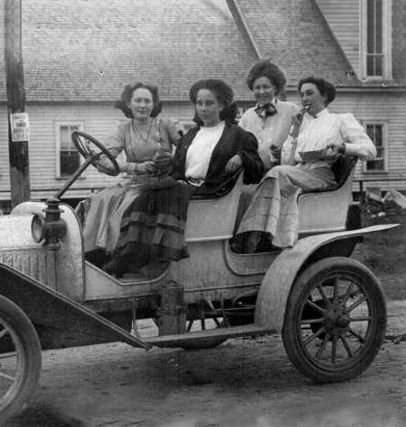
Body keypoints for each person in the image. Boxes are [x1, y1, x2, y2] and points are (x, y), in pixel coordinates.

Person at [102, 79, 264, 278]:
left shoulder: (237, 135)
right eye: (199, 103)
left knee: (167, 191)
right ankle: (131, 253)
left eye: (209, 103)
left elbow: (257, 168)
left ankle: (149, 256)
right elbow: (178, 168)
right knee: (148, 192)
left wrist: (242, 157)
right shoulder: (191, 136)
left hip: (212, 190)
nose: (203, 108)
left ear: (222, 105)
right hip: (186, 186)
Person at [235, 76, 377, 253]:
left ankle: (252, 234)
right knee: (268, 178)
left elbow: (371, 150)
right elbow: (288, 161)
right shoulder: (303, 124)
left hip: (322, 174)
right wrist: (294, 131)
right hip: (299, 173)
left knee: (277, 173)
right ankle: (263, 235)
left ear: (324, 96)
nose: (304, 99)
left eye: (309, 93)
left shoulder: (341, 119)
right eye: (301, 95)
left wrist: (343, 148)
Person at [82, 83, 183, 264]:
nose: (142, 105)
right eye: (138, 100)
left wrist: (172, 158)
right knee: (100, 199)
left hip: (163, 183)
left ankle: (121, 255)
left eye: (147, 101)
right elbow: (104, 160)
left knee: (124, 208)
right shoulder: (124, 129)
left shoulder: (167, 125)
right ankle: (94, 253)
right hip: (135, 181)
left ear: (154, 104)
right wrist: (133, 167)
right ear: (128, 104)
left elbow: (189, 149)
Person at [239, 60, 301, 171]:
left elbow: (300, 141)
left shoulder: (291, 111)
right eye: (257, 88)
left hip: (282, 171)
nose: (262, 92)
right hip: (252, 174)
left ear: (276, 88)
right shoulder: (247, 117)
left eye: (266, 87)